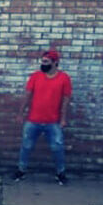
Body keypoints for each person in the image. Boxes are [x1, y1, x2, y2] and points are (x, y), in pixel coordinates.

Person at [14, 50, 72, 184]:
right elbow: (27, 95)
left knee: (57, 147)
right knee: (26, 146)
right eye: (42, 61)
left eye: (46, 62)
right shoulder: (36, 76)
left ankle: (60, 173)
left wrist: (63, 118)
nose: (43, 64)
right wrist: (21, 113)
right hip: (33, 120)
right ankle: (21, 170)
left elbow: (66, 99)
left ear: (55, 63)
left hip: (53, 121)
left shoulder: (64, 78)